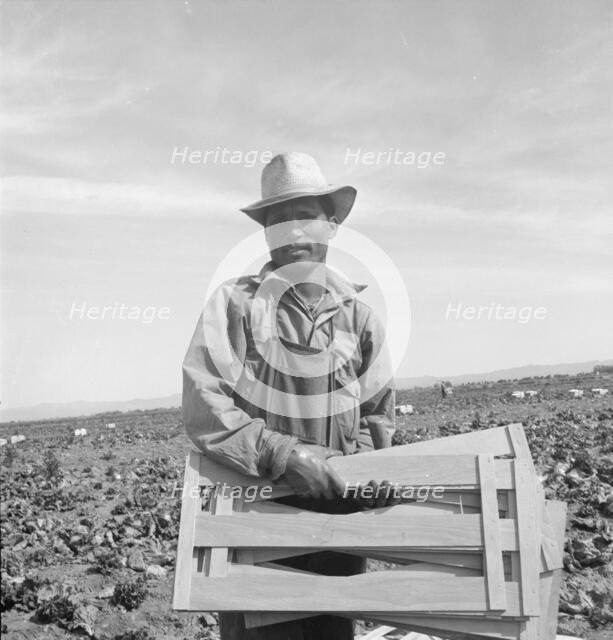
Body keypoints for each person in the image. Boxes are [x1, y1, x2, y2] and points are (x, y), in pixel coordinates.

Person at [182, 152, 396, 639]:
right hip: (258, 523)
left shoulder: (360, 320)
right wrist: (283, 454)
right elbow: (203, 402)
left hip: (336, 536)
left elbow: (376, 419)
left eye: (307, 217)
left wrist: (364, 475)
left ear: (332, 226)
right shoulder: (234, 305)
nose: (294, 233)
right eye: (279, 220)